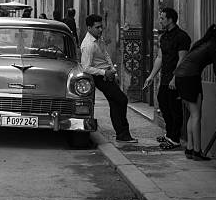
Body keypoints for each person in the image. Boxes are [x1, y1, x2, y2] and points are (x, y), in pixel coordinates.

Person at [172, 24, 216, 161]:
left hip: (182, 77)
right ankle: (197, 152)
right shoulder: (214, 47)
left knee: (192, 115)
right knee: (197, 115)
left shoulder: (204, 43)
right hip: (191, 78)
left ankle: (190, 149)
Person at [81, 14, 136, 143]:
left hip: (108, 74)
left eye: (101, 27)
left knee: (116, 103)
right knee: (121, 100)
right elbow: (86, 68)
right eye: (97, 27)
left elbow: (106, 55)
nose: (100, 30)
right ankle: (123, 133)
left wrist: (113, 73)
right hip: (100, 78)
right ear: (89, 28)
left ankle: (122, 134)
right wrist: (104, 73)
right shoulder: (88, 45)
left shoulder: (98, 39)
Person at [143, 8, 191, 150]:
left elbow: (182, 59)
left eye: (163, 18)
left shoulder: (182, 37)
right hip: (165, 77)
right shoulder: (163, 37)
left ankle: (175, 138)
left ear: (170, 19)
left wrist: (175, 78)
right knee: (163, 104)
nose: (160, 20)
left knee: (174, 108)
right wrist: (151, 76)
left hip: (176, 78)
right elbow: (160, 57)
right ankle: (169, 134)